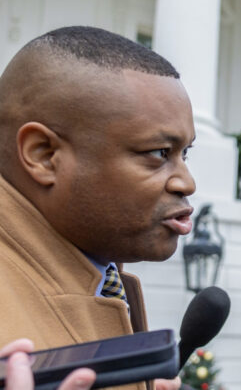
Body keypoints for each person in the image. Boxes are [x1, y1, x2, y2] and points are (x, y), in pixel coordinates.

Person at [0, 26, 195, 390]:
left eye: (186, 154)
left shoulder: (103, 275)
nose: (186, 182)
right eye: (158, 153)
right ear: (43, 155)